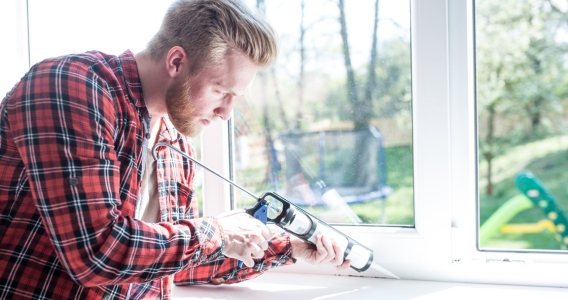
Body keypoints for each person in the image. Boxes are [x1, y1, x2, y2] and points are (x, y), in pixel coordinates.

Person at [0, 0, 350, 299]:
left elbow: (177, 263)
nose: (226, 114)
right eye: (220, 91)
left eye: (234, 99)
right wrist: (218, 230)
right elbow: (97, 253)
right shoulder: (72, 87)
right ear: (177, 62)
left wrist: (289, 246)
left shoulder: (174, 144)